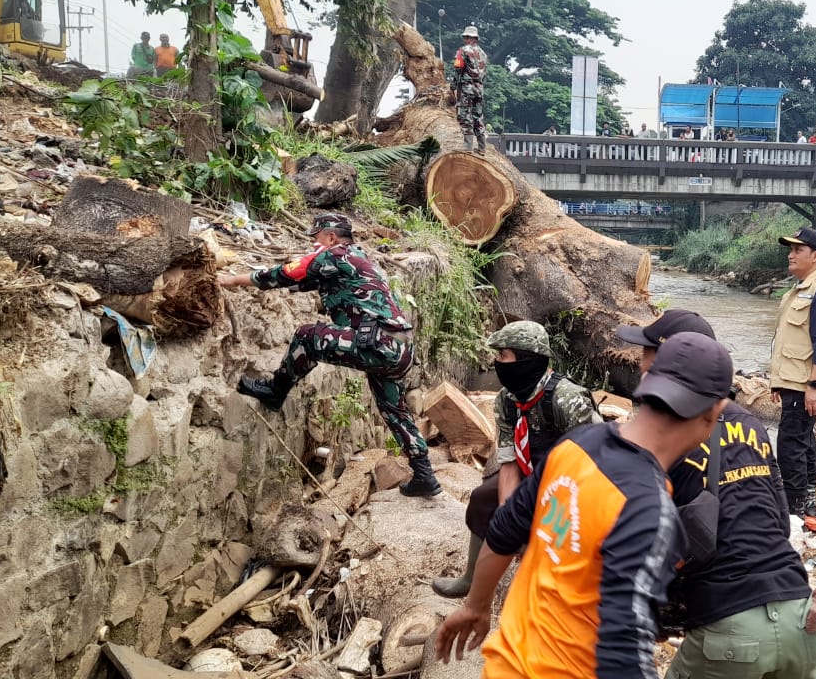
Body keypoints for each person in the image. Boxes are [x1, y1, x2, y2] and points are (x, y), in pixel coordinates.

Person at [435, 333, 735, 678]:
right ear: (713, 412)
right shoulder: (649, 511)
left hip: (505, 664)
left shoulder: (577, 445)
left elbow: (504, 528)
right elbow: (623, 653)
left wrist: (476, 605)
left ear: (647, 381)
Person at [617, 311, 816, 679]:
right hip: (804, 617)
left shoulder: (663, 434)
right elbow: (781, 522)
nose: (641, 363)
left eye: (648, 353)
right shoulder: (750, 424)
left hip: (732, 632)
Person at [218, 213, 441, 498]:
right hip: (399, 349)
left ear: (331, 238)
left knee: (306, 337)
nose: (312, 244)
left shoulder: (332, 255)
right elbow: (302, 282)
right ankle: (424, 474)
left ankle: (275, 390)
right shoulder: (357, 259)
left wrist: (234, 279)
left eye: (316, 239)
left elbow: (286, 274)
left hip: (377, 344)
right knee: (393, 409)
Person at [431, 321, 600, 597]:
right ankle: (471, 578)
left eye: (503, 355)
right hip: (529, 469)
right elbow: (508, 461)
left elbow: (593, 466)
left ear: (528, 359)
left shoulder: (567, 400)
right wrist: (508, 515)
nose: (497, 362)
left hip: (572, 481)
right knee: (484, 498)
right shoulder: (507, 401)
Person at [770, 228, 816, 517]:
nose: (791, 255)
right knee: (803, 440)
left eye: (797, 250)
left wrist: (815, 384)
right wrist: (777, 381)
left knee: (790, 444)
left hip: (805, 383)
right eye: (790, 250)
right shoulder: (800, 289)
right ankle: (807, 500)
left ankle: (796, 505)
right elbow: (788, 339)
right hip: (794, 380)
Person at [451, 25, 489, 152]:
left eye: (465, 37)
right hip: (479, 88)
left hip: (467, 88)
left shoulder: (462, 51)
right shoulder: (483, 54)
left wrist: (453, 86)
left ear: (468, 38)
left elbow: (458, 69)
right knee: (478, 116)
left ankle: (467, 146)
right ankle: (482, 147)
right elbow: (485, 73)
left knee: (464, 114)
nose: (464, 39)